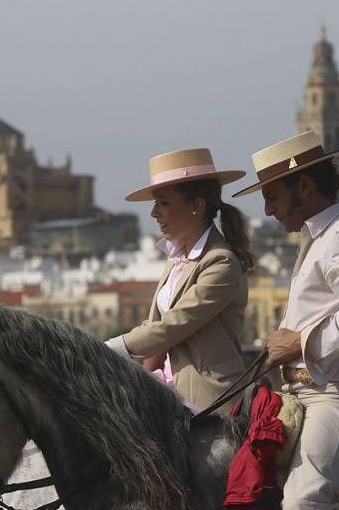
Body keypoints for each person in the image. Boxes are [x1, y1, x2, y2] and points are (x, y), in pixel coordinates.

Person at [233, 130, 339, 510]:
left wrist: (298, 343)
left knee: (305, 502)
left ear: (303, 186)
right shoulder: (319, 239)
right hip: (312, 395)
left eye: (272, 196)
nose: (268, 210)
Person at [107, 147, 254, 414]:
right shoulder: (176, 260)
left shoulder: (220, 262)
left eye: (163, 203)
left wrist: (111, 348)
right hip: (167, 395)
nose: (154, 213)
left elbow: (173, 326)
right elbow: (156, 327)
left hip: (208, 403)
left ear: (196, 206)